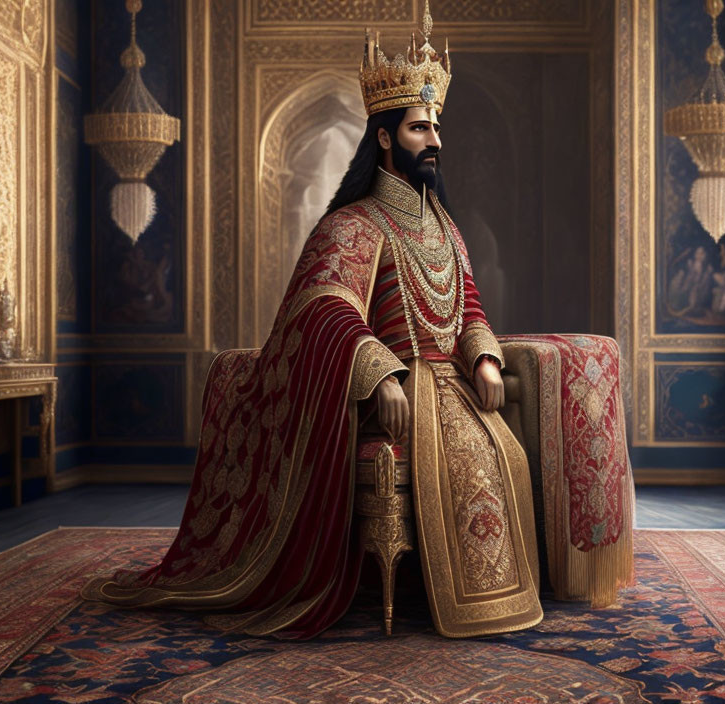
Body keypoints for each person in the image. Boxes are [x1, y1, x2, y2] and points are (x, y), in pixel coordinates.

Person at [83, 2, 543, 639]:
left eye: (436, 128)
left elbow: (467, 306)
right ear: (384, 137)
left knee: (504, 451)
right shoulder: (352, 224)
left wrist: (486, 357)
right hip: (397, 391)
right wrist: (380, 374)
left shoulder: (446, 228)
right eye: (418, 129)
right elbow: (323, 308)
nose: (435, 140)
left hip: (454, 390)